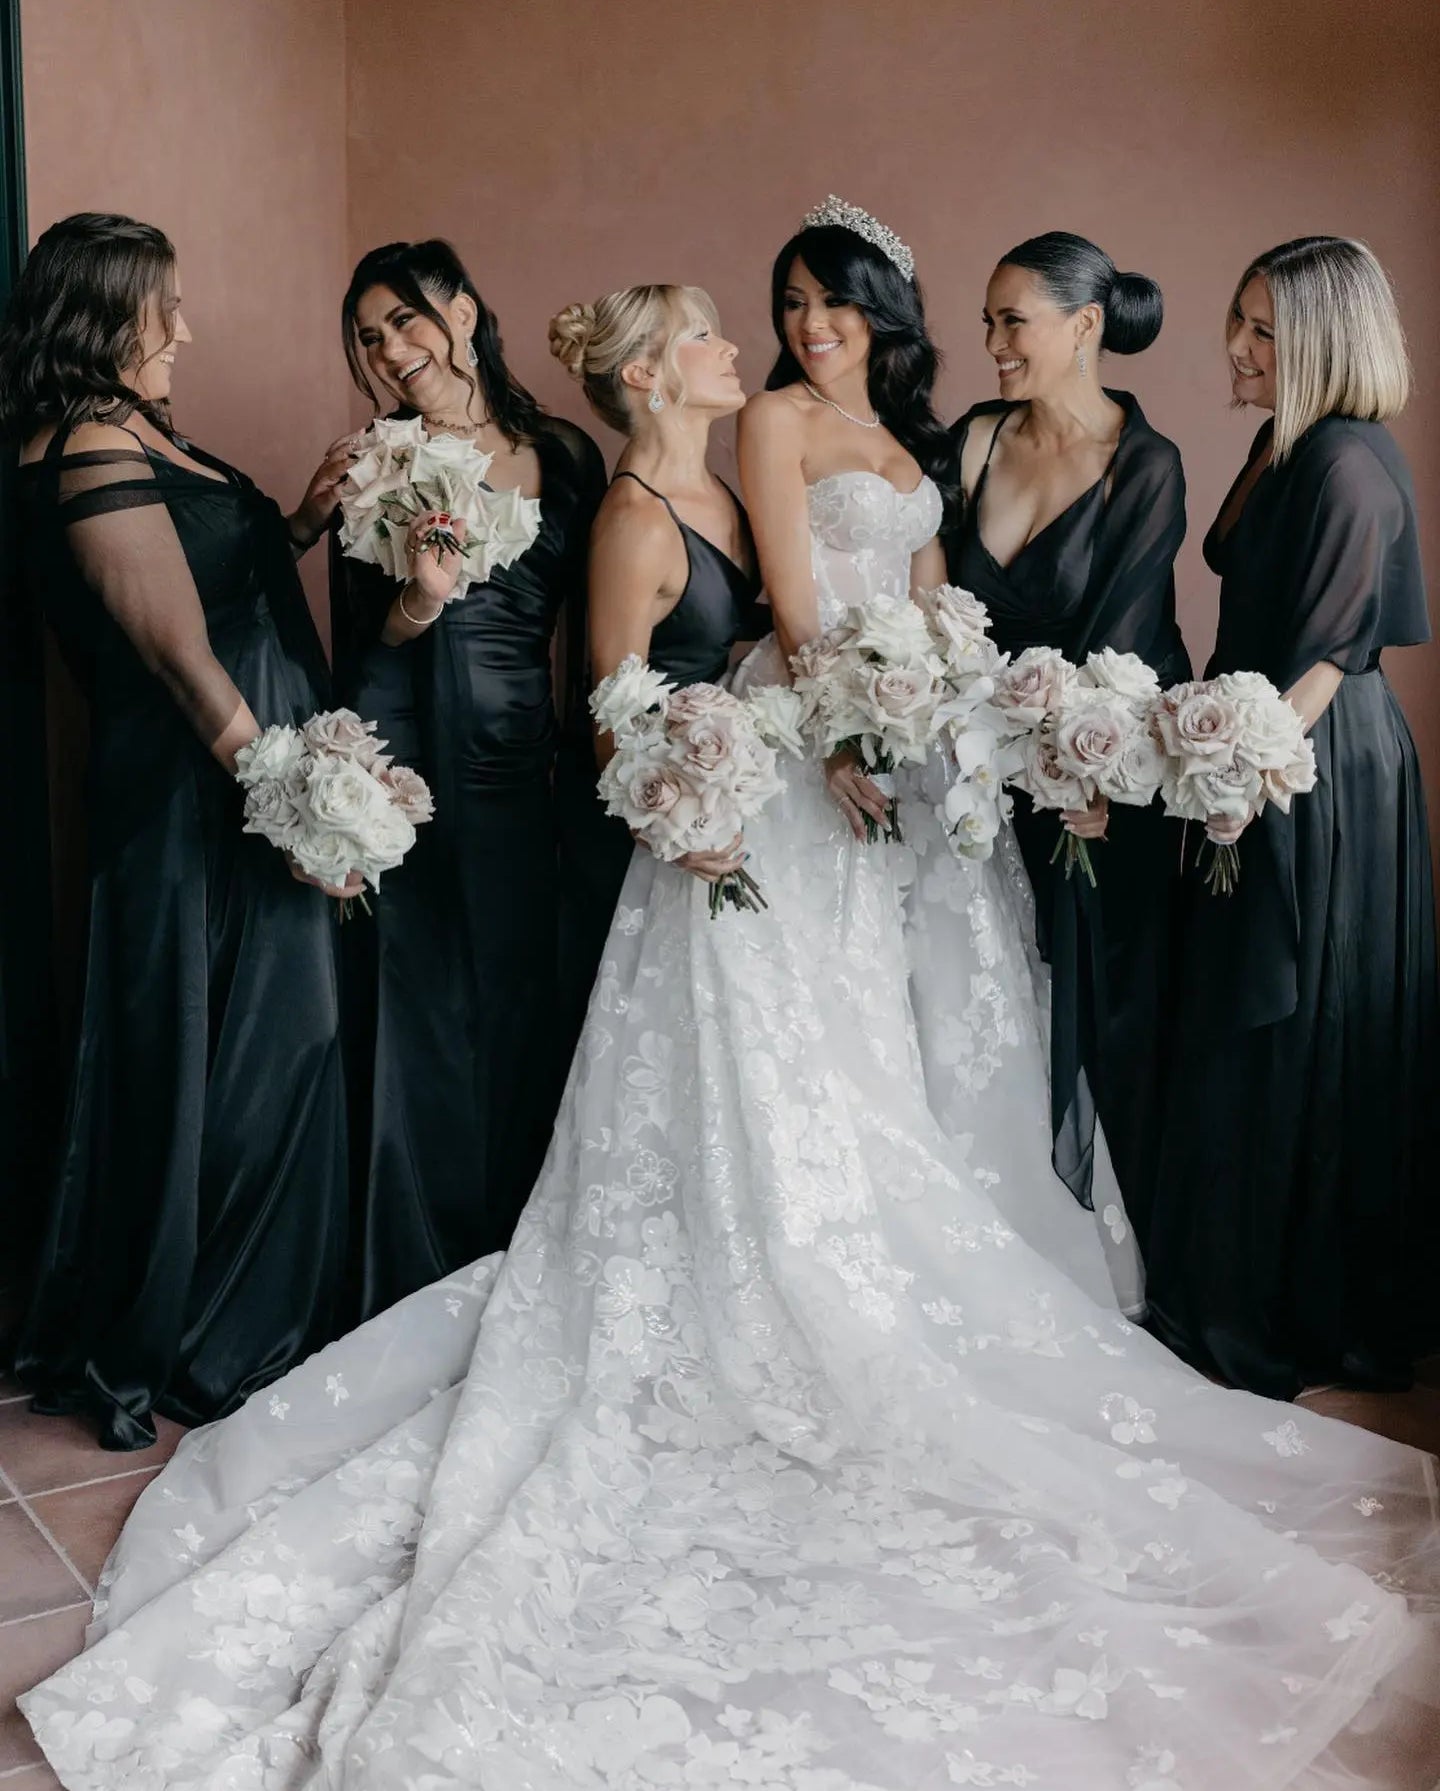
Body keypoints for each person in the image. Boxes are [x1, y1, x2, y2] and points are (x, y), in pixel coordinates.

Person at [20, 217, 1440, 1790]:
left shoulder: (824, 451)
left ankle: (878, 1261)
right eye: (764, 314)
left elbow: (891, 598)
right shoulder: (701, 462)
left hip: (880, 777)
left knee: (883, 1064)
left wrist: (939, 702)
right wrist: (798, 728)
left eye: (821, 306)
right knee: (751, 1084)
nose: (785, 333)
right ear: (664, 370)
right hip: (763, 779)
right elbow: (700, 648)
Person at [0, 213, 357, 1449]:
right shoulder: (87, 442)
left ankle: (249, 1310)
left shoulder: (137, 425)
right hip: (193, 798)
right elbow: (176, 653)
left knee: (273, 1042)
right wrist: (292, 807)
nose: (186, 332)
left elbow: (212, 578)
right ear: (105, 316)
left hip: (240, 777)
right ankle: (203, 1333)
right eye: (167, 310)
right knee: (239, 1053)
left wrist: (300, 520)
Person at [1145, 235, 1439, 1400]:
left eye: (1263, 331)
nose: (1235, 346)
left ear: (1324, 342)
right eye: (1239, 319)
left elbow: (1322, 660)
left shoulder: (1348, 464)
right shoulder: (1285, 442)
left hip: (1313, 761)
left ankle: (1292, 1302)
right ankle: (1239, 1276)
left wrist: (1242, 772)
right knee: (1248, 1010)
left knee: (1291, 1012)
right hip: (1266, 741)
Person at [327, 240, 606, 1314]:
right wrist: (423, 597)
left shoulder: (564, 454)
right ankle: (419, 1268)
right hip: (412, 747)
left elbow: (590, 628)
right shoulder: (376, 461)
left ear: (462, 312)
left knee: (527, 995)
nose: (389, 349)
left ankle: (520, 1253)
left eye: (404, 320)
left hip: (524, 759)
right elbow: (365, 640)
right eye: (368, 337)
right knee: (427, 1005)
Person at [946, 230, 1190, 1230]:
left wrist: (1082, 773)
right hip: (969, 777)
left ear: (1085, 325)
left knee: (1087, 1014)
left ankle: (1094, 1241)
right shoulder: (976, 438)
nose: (993, 344)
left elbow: (1126, 643)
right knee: (979, 1014)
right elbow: (925, 598)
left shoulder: (1146, 465)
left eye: (1014, 321)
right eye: (987, 322)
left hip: (1094, 788)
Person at [549, 281, 763, 1006]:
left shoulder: (719, 493)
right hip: (652, 820)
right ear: (643, 373)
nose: (729, 346)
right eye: (701, 335)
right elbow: (612, 711)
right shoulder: (637, 521)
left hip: (719, 782)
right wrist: (677, 826)